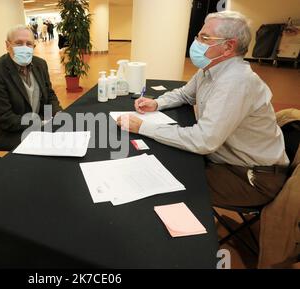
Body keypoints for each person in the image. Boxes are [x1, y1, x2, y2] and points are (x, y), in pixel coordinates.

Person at [116, 11, 289, 208]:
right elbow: (185, 94)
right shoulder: (210, 68)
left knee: (162, 182)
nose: (196, 42)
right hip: (227, 159)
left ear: (228, 46)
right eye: (199, 36)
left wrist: (142, 127)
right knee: (167, 159)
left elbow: (203, 140)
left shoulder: (236, 81)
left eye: (204, 38)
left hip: (251, 177)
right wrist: (157, 103)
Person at [0, 24, 62, 151]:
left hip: (37, 125)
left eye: (29, 44)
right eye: (19, 43)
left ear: (34, 46)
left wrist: (55, 113)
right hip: (9, 133)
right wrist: (41, 123)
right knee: (48, 147)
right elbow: (5, 118)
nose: (24, 48)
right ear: (8, 46)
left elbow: (49, 94)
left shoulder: (40, 64)